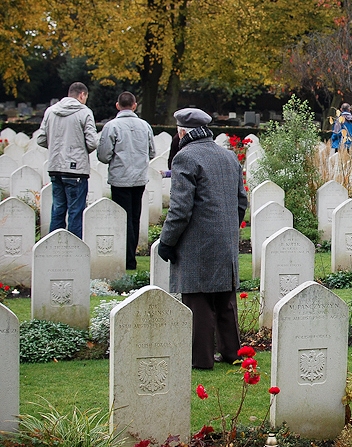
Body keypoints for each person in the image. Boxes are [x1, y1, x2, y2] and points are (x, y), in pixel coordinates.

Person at [158, 108, 248, 369]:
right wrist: (229, 226)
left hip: (197, 241)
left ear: (182, 131)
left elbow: (180, 209)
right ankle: (233, 354)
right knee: (225, 301)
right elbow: (241, 201)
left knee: (198, 302)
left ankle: (202, 359)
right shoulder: (228, 156)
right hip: (226, 237)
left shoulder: (185, 157)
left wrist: (167, 241)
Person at [97, 92, 156, 270]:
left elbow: (104, 155)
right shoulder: (144, 126)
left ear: (117, 106)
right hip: (139, 178)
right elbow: (152, 152)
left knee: (123, 218)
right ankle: (130, 257)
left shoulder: (111, 126)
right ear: (134, 105)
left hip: (120, 178)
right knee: (134, 218)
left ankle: (127, 258)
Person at [37, 82, 98, 239]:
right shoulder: (85, 112)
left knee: (57, 210)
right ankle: (73, 253)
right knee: (75, 213)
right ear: (82, 95)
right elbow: (92, 142)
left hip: (55, 167)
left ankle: (53, 250)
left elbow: (41, 139)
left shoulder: (51, 111)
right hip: (76, 170)